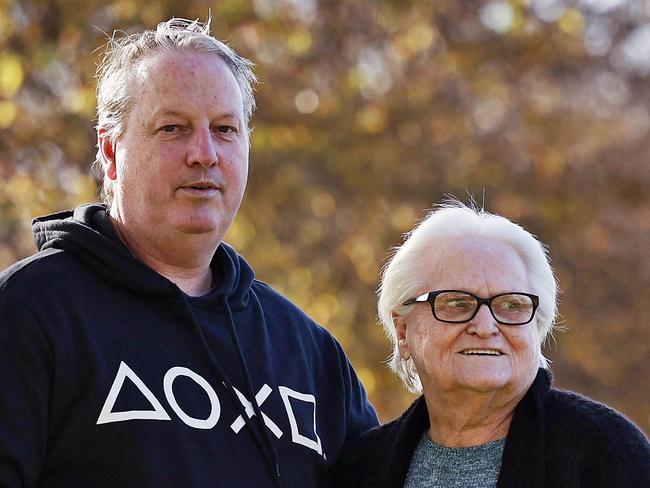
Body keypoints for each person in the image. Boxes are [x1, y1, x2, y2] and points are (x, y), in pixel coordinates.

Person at [0, 17, 377, 488]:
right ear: (112, 152)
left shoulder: (308, 352)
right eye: (173, 128)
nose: (204, 153)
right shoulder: (30, 310)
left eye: (224, 129)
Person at [324, 201, 650, 487]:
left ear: (536, 328)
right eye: (457, 303)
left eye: (511, 305)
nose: (485, 326)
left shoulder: (607, 453)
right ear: (403, 330)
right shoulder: (359, 469)